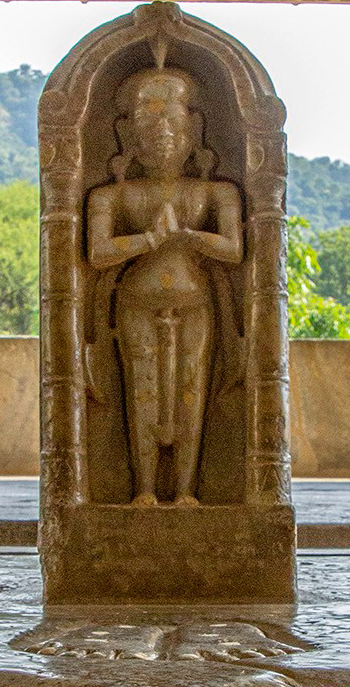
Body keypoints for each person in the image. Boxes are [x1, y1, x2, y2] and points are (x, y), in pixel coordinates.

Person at [87, 65, 243, 506]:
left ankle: (187, 491)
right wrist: (149, 239)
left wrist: (188, 236)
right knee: (143, 392)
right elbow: (98, 253)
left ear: (193, 131)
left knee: (192, 391)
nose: (162, 134)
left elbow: (234, 250)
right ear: (129, 137)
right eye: (149, 125)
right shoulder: (113, 196)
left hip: (197, 304)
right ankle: (145, 491)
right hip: (136, 304)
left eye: (173, 124)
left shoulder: (216, 193)